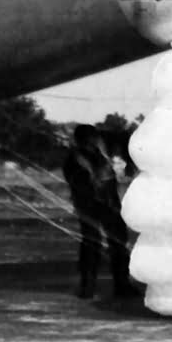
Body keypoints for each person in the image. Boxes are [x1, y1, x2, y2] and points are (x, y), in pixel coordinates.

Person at [62, 124, 133, 299]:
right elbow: (86, 182)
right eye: (93, 138)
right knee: (94, 245)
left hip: (102, 206)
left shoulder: (93, 156)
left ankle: (116, 285)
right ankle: (92, 286)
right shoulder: (78, 159)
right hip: (93, 206)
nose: (96, 141)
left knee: (113, 244)